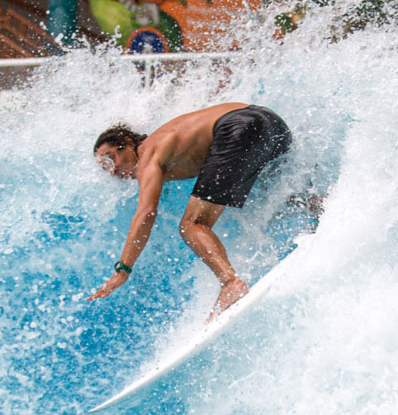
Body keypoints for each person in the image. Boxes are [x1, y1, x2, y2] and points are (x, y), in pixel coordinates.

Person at [88, 103, 292, 316]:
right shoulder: (166, 142)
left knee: (191, 225)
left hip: (236, 128)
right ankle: (317, 210)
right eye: (105, 168)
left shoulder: (146, 155)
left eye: (111, 158)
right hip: (270, 122)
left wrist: (123, 270)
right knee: (275, 189)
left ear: (128, 143)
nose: (113, 170)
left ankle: (231, 283)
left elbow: (146, 211)